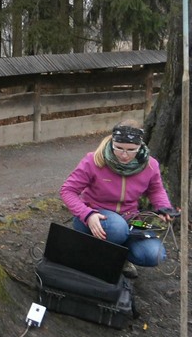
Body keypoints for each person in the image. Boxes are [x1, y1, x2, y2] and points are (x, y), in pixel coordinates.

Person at [60, 119, 177, 278]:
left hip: (130, 220)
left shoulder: (150, 165)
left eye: (131, 150)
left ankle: (119, 258)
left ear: (140, 145)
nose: (124, 155)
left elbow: (156, 189)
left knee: (154, 254)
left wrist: (164, 207)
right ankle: (95, 255)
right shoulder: (93, 160)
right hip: (94, 217)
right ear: (112, 142)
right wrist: (87, 214)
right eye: (119, 148)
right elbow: (67, 191)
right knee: (117, 229)